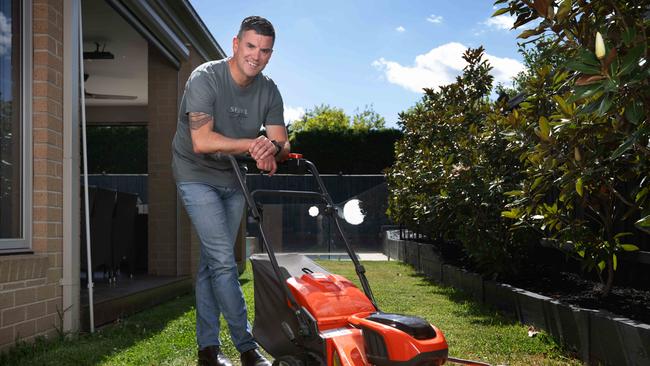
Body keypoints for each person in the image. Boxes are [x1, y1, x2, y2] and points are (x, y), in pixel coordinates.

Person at [171, 16, 289, 366]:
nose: (257, 55)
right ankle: (247, 347)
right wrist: (256, 145)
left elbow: (281, 142)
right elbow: (201, 141)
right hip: (195, 174)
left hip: (233, 178)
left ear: (270, 54)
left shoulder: (268, 89)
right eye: (251, 46)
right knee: (224, 262)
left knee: (212, 263)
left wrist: (270, 149)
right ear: (236, 44)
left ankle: (207, 349)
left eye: (265, 50)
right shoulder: (205, 78)